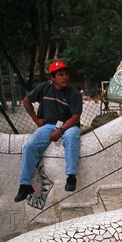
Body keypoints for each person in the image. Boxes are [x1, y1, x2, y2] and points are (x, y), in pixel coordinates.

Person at [14, 60, 83, 202]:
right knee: (29, 146)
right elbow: (26, 100)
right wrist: (36, 120)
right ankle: (25, 184)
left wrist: (61, 131)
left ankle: (71, 177)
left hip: (69, 125)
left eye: (66, 74)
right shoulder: (44, 88)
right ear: (53, 77)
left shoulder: (74, 93)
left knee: (71, 137)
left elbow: (76, 117)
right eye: (60, 75)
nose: (65, 77)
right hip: (49, 125)